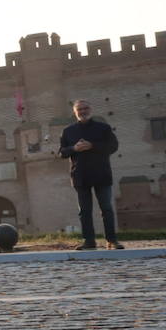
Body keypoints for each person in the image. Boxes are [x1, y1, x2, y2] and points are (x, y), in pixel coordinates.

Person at [59, 99, 122, 250]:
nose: (83, 111)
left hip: (101, 174)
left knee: (106, 208)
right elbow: (62, 152)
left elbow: (113, 146)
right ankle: (89, 241)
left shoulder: (103, 128)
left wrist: (92, 146)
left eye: (85, 108)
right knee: (84, 211)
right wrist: (74, 148)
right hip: (80, 175)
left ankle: (112, 240)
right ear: (75, 112)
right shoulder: (68, 131)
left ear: (91, 109)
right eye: (79, 109)